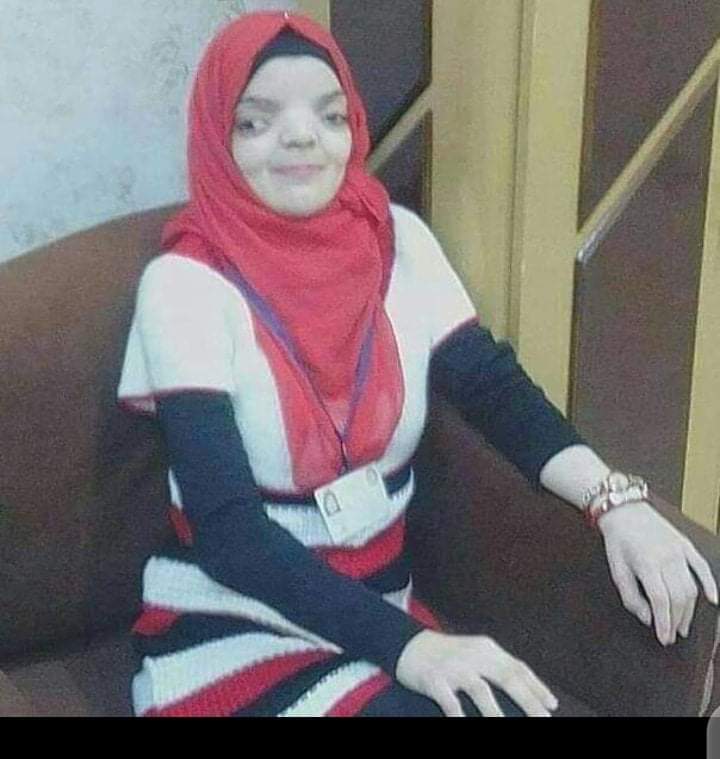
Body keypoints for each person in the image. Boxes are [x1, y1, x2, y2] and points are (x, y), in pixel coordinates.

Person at [117, 10, 718, 718]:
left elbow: (492, 388)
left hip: (380, 610)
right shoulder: (184, 284)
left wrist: (614, 503)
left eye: (329, 114)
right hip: (236, 623)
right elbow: (228, 537)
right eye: (256, 121)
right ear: (216, 139)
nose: (303, 136)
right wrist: (414, 648)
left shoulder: (397, 239)